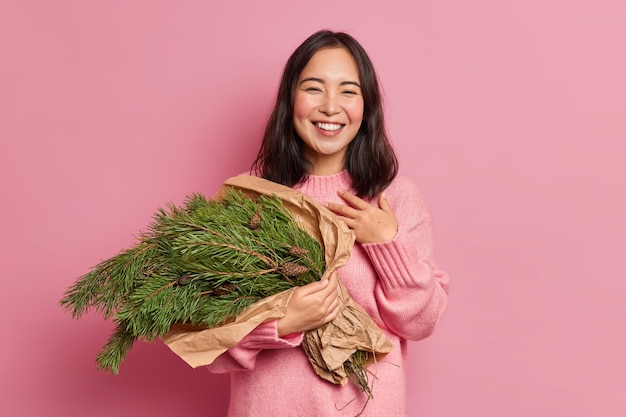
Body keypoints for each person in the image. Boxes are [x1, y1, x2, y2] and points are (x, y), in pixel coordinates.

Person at [207, 29, 450, 417]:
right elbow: (208, 342)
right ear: (291, 99)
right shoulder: (249, 198)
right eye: (314, 88)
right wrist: (283, 323)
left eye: (348, 91)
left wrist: (386, 241)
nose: (331, 107)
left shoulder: (395, 198)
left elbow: (421, 322)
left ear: (366, 106)